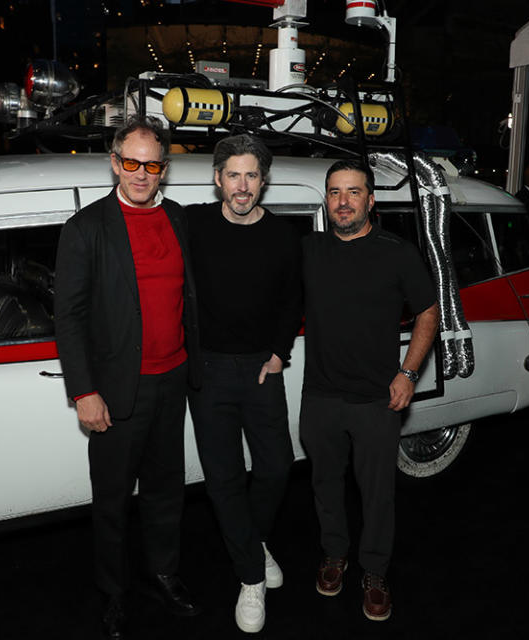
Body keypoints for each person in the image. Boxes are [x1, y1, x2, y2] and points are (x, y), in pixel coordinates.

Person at [54, 116, 202, 640]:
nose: (142, 174)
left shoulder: (180, 219)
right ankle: (113, 594)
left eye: (153, 164)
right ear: (115, 163)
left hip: (172, 380)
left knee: (166, 491)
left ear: (164, 168)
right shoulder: (88, 227)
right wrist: (84, 392)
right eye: (132, 162)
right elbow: (68, 317)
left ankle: (164, 572)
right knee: (113, 499)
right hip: (115, 391)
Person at [300, 159, 439, 622]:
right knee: (325, 487)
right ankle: (334, 554)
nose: (343, 201)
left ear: (371, 200)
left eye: (353, 192)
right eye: (335, 192)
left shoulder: (396, 252)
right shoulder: (309, 250)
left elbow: (428, 313)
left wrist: (409, 373)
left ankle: (375, 571)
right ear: (327, 199)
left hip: (377, 399)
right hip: (319, 396)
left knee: (377, 493)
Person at [184, 135, 302, 634]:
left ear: (263, 181)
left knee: (276, 468)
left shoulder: (282, 235)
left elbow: (291, 299)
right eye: (233, 175)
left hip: (260, 370)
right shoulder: (192, 223)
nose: (242, 185)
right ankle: (250, 575)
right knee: (224, 479)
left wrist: (279, 352)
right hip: (207, 371)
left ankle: (250, 540)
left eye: (252, 175)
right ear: (217, 179)